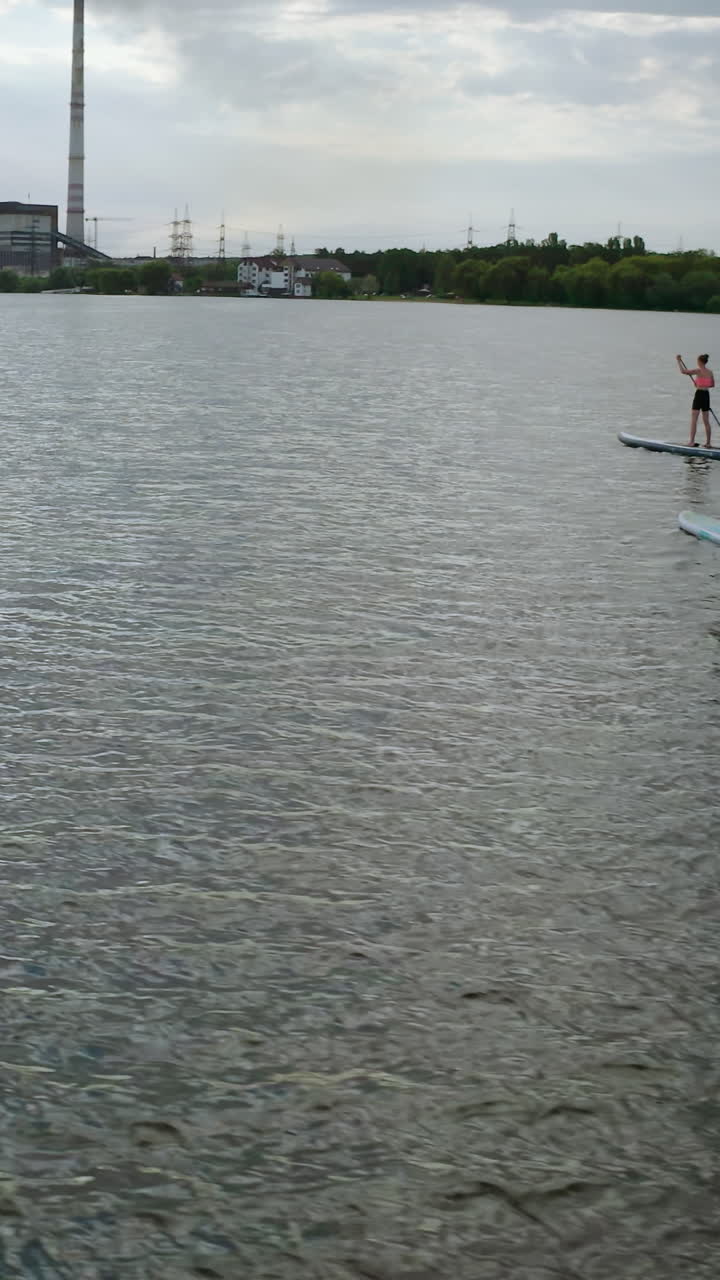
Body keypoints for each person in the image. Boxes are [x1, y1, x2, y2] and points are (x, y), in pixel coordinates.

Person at [676, 353, 714, 447]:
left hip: (699, 395)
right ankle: (708, 443)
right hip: (706, 395)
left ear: (700, 362)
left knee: (694, 419)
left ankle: (691, 442)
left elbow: (683, 371)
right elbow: (712, 385)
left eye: (697, 361)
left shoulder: (698, 370)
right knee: (706, 420)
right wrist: (700, 382)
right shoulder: (710, 372)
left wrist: (678, 360)